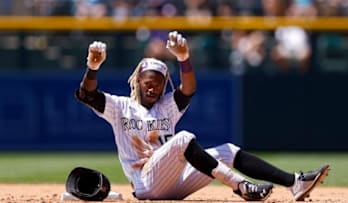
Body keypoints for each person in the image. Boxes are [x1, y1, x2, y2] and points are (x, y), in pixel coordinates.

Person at [75, 31, 330, 201]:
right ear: (137, 82)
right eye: (148, 82)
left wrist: (184, 58)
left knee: (227, 151)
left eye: (159, 83)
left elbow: (188, 90)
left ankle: (294, 182)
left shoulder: (166, 105)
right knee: (183, 138)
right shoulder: (120, 107)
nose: (153, 87)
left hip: (173, 181)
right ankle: (242, 187)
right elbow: (88, 95)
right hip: (145, 183)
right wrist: (93, 67)